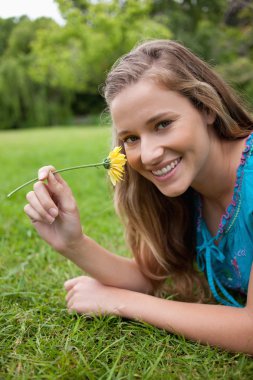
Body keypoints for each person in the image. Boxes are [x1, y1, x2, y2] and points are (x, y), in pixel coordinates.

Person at [24, 40, 253, 354]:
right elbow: (147, 277)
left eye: (163, 124)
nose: (148, 155)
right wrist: (72, 242)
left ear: (206, 108)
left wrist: (122, 303)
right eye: (131, 138)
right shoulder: (187, 191)